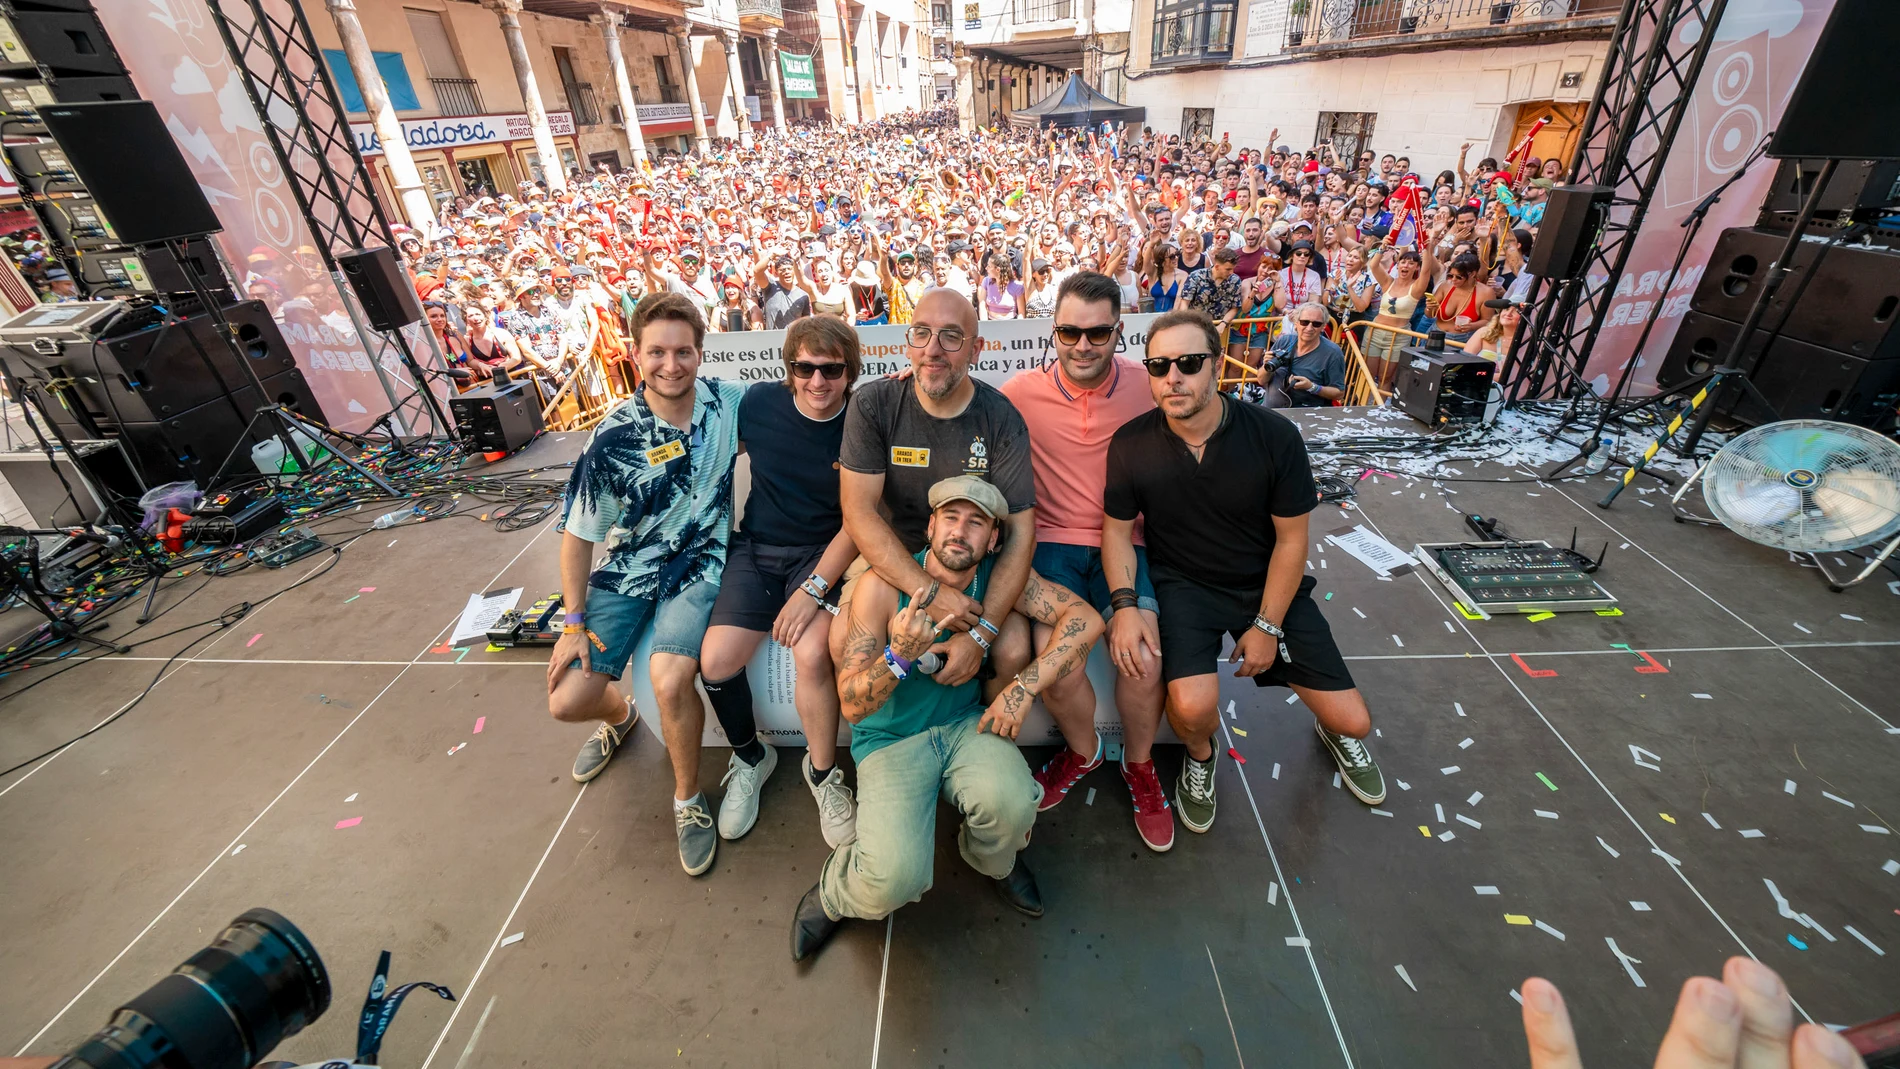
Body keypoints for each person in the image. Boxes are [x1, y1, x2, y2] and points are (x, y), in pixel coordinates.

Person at [789, 476, 1105, 962]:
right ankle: (834, 893)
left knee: (1014, 804)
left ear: (994, 538)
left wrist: (1023, 687)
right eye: (952, 518)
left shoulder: (996, 580)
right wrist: (899, 656)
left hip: (963, 726)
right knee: (891, 880)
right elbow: (851, 706)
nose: (961, 531)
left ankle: (991, 861)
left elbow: (1086, 619)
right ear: (931, 525)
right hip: (891, 742)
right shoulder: (879, 587)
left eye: (977, 522)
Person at [1103, 307, 1386, 836]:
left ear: (1216, 365)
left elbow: (1292, 540)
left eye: (1188, 363)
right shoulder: (1132, 443)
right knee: (1190, 709)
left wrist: (1268, 626)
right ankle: (1201, 756)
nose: (1173, 378)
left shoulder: (1274, 435)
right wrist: (1123, 603)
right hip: (1184, 585)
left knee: (1355, 722)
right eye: (1159, 366)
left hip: (1266, 584)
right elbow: (1117, 530)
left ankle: (1332, 733)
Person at [547, 292, 747, 877]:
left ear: (699, 353)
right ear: (637, 356)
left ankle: (687, 800)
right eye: (657, 351)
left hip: (701, 565)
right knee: (567, 701)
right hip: (630, 567)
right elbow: (578, 536)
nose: (672, 363)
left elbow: (801, 401)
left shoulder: (727, 403)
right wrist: (573, 622)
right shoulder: (611, 438)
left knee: (669, 676)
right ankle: (619, 718)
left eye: (683, 351)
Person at [1000, 272, 1173, 851]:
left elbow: (1199, 404)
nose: (1082, 344)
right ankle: (1084, 753)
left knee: (1144, 661)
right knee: (1061, 665)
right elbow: (957, 404)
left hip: (1126, 540)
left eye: (1097, 333)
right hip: (1050, 543)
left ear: (1118, 332)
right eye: (1069, 331)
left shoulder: (1147, 384)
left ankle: (1140, 768)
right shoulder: (1020, 391)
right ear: (1053, 332)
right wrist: (905, 383)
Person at [697, 317, 863, 849]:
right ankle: (751, 756)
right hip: (758, 548)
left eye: (832, 369)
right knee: (716, 663)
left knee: (813, 653)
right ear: (788, 370)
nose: (818, 380)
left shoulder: (864, 421)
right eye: (804, 367)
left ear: (850, 371)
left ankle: (822, 774)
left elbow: (860, 520)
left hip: (825, 554)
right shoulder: (759, 405)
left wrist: (813, 589)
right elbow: (700, 434)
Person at [832, 288, 1039, 700]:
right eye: (921, 333)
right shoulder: (875, 403)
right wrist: (929, 592)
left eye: (950, 337)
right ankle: (883, 745)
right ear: (907, 342)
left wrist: (981, 636)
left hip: (971, 566)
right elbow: (858, 513)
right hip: (892, 560)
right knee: (842, 643)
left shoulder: (1001, 417)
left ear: (976, 348)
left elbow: (1021, 533)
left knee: (1013, 647)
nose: (933, 350)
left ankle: (979, 739)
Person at [1255, 300, 1347, 408]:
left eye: (1316, 324)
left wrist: (1312, 387)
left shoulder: (1332, 353)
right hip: (1273, 411)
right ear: (1296, 323)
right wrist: (1267, 366)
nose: (1309, 328)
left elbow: (1339, 393)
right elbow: (1261, 380)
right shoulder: (1284, 341)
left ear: (1323, 327)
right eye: (1304, 322)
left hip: (1307, 415)